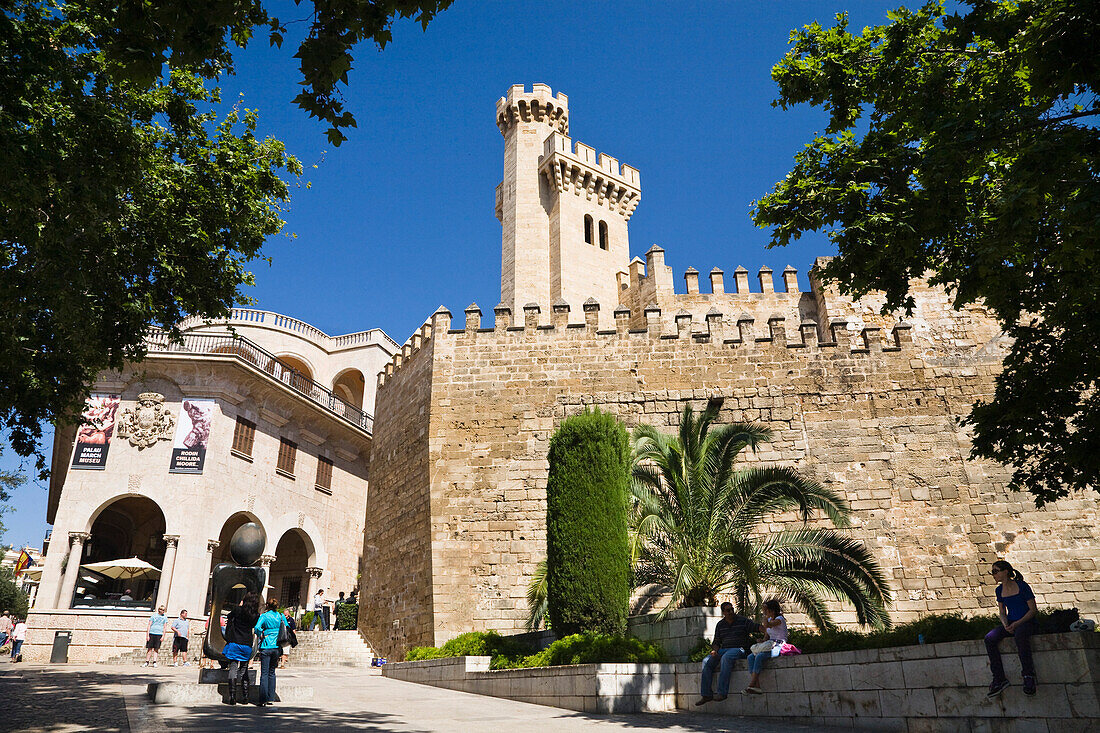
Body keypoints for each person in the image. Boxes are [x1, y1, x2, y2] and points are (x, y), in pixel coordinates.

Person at [986, 560, 1039, 698]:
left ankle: (1028, 675)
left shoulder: (1022, 586)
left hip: (1027, 622)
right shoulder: (999, 590)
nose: (993, 575)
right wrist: (1005, 624)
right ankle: (999, 678)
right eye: (992, 572)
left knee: (1020, 636)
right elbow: (1002, 612)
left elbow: (1033, 610)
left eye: (995, 571)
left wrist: (1017, 624)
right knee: (989, 638)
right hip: (1011, 623)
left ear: (1006, 572)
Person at [696, 602, 761, 705]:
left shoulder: (742, 621)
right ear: (723, 612)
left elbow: (756, 627)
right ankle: (706, 694)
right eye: (728, 610)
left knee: (726, 658)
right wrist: (715, 650)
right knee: (706, 661)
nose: (730, 612)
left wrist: (770, 628)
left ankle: (722, 692)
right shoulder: (720, 625)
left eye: (731, 609)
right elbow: (716, 641)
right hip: (724, 649)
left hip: (739, 649)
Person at [223, 593, 262, 705]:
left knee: (233, 667)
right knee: (244, 669)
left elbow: (229, 617)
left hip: (235, 641)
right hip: (247, 643)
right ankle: (245, 697)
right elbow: (255, 625)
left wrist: (240, 605)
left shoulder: (237, 610)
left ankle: (232, 696)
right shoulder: (255, 615)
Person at [744, 599, 788, 694]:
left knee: (760, 656)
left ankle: (752, 684)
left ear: (772, 611)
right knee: (750, 657)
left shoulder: (779, 620)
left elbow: (767, 625)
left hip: (779, 645)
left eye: (767, 610)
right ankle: (757, 686)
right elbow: (766, 637)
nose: (765, 612)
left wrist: (764, 615)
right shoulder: (768, 619)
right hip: (769, 644)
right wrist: (761, 641)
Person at [254, 597, 287, 706]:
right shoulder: (281, 616)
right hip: (277, 646)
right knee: (272, 672)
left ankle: (262, 699)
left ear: (267, 605)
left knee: (264, 673)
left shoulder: (264, 616)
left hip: (266, 645)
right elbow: (287, 627)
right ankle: (270, 697)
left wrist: (261, 634)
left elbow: (257, 627)